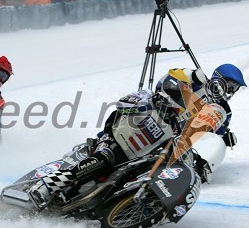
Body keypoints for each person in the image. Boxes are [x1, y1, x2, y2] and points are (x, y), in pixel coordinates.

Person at [29, 72, 225, 206]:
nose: (182, 101)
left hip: (131, 160)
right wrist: (146, 107)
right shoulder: (148, 96)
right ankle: (46, 185)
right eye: (181, 95)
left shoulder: (174, 126)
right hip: (111, 141)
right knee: (102, 160)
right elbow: (122, 104)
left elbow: (175, 149)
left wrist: (198, 164)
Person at [156, 64, 246, 148]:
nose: (231, 90)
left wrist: (223, 140)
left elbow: (213, 137)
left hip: (182, 139)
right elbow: (167, 80)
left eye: (235, 88)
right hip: (161, 114)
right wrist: (189, 76)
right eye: (230, 85)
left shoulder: (225, 111)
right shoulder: (199, 80)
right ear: (218, 78)